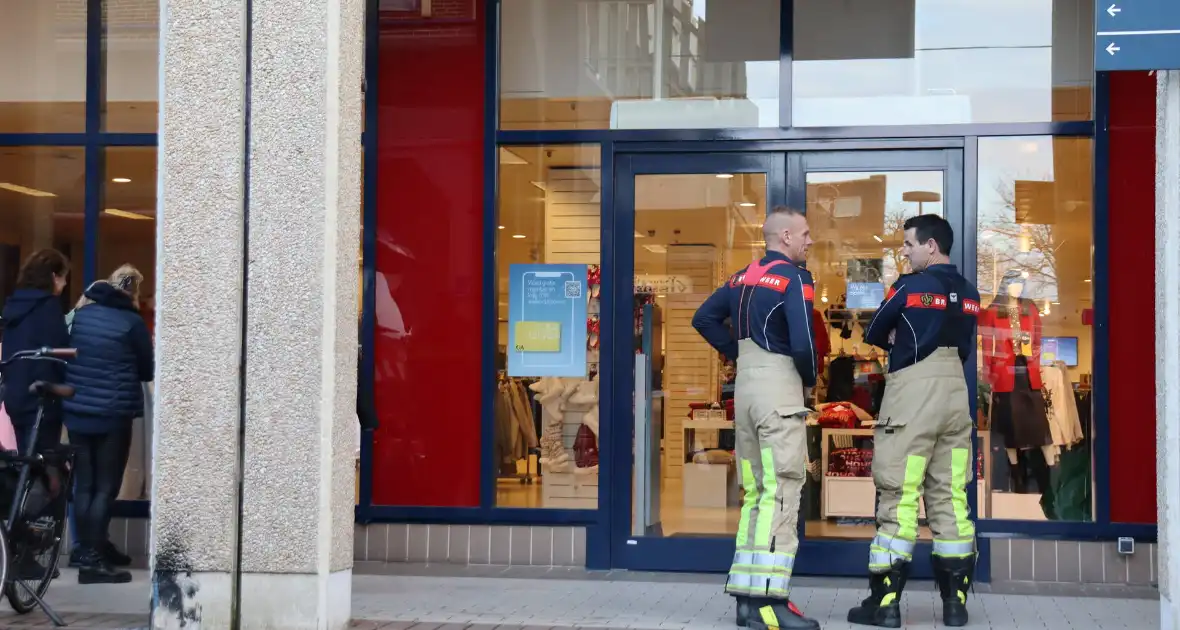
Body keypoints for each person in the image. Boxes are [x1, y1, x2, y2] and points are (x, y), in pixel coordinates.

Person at [848, 214, 979, 628]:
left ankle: (885, 605)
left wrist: (898, 338)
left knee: (899, 494)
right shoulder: (970, 292)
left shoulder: (909, 286)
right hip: (955, 396)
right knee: (951, 497)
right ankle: (955, 606)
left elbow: (875, 331)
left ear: (931, 246)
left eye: (908, 244)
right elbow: (964, 345)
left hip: (913, 393)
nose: (904, 252)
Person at [691, 206, 819, 630]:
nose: (809, 241)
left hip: (745, 390)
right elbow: (802, 343)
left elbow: (703, 318)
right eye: (804, 234)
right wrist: (810, 380)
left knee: (756, 494)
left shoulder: (738, 277)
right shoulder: (796, 278)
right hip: (778, 390)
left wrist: (735, 354)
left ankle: (747, 602)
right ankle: (771, 602)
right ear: (784, 236)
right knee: (781, 491)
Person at [63, 266, 154, 584]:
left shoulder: (80, 316)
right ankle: (92, 558)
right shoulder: (131, 322)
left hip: (76, 411)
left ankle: (87, 548)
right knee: (105, 486)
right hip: (113, 414)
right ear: (132, 293)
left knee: (85, 484)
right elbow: (147, 369)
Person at [0, 249, 70, 455]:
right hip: (41, 400)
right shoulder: (48, 308)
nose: (65, 284)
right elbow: (59, 354)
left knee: (26, 461)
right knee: (44, 463)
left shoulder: (14, 308)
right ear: (53, 277)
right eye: (63, 278)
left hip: (15, 396)